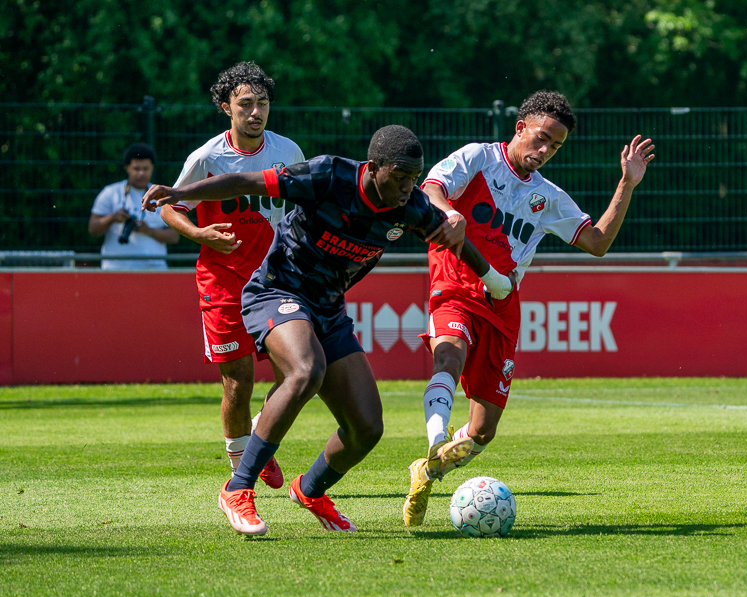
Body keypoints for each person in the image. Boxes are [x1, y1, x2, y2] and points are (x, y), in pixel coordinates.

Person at [143, 125, 513, 536]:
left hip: (328, 309)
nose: (410, 186)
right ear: (374, 168)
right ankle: (237, 487)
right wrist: (183, 194)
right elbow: (249, 181)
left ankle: (310, 489)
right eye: (401, 176)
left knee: (367, 427)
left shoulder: (410, 207)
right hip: (276, 290)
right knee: (305, 370)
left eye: (414, 177)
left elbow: (454, 239)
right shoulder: (329, 176)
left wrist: (493, 278)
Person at [402, 90, 656, 526]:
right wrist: (448, 213)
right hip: (456, 283)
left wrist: (626, 183)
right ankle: (433, 435)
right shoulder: (478, 158)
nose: (544, 151)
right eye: (540, 139)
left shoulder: (547, 196)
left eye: (554, 147)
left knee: (483, 431)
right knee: (448, 354)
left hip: (503, 305)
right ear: (520, 128)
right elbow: (430, 189)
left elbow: (597, 242)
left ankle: (429, 469)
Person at [160, 62, 304, 488]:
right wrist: (199, 232)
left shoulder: (289, 152)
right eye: (245, 104)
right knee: (238, 381)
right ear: (227, 107)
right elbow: (170, 205)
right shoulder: (207, 158)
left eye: (262, 103)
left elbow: (301, 208)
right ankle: (241, 470)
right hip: (222, 283)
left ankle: (259, 433)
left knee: (296, 371)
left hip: (277, 280)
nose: (255, 112)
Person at [89, 143, 179, 270]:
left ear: (152, 167)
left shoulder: (162, 195)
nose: (141, 173)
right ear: (127, 168)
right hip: (115, 268)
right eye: (136, 169)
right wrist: (112, 218)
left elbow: (174, 236)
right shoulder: (110, 193)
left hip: (154, 269)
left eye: (146, 169)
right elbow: (93, 229)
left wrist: (148, 230)